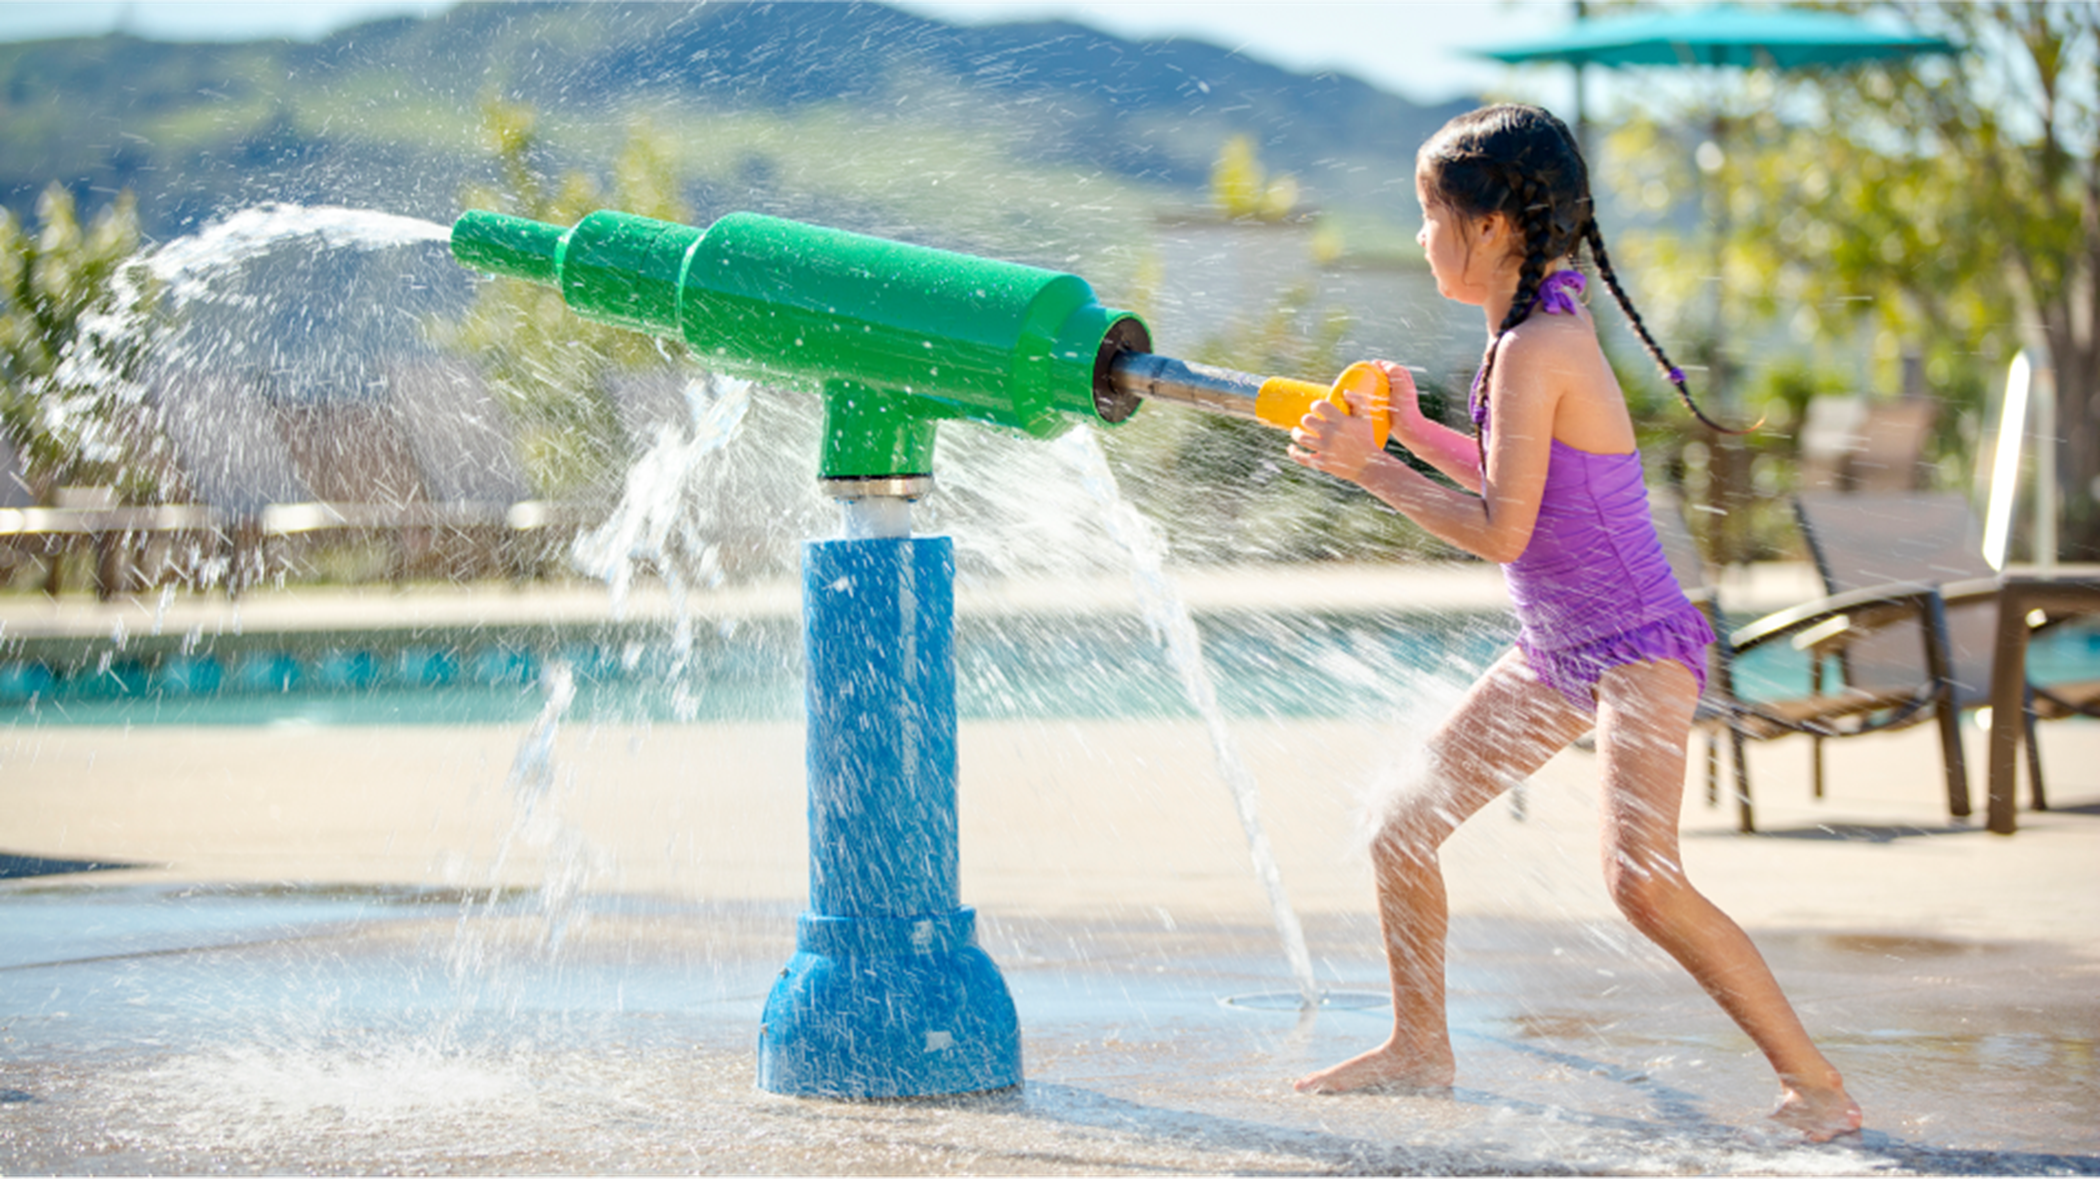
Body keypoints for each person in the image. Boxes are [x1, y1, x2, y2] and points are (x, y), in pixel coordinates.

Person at [1285, 103, 1862, 1143]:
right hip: (1560, 651)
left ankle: (1814, 1085)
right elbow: (1528, 491)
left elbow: (1504, 532)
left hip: (1638, 643)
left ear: (1495, 224)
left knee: (1641, 881)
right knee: (1401, 827)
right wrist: (1416, 439)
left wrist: (1367, 468)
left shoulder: (1538, 345)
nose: (1420, 236)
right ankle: (1421, 1048)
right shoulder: (1532, 334)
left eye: (1429, 212)